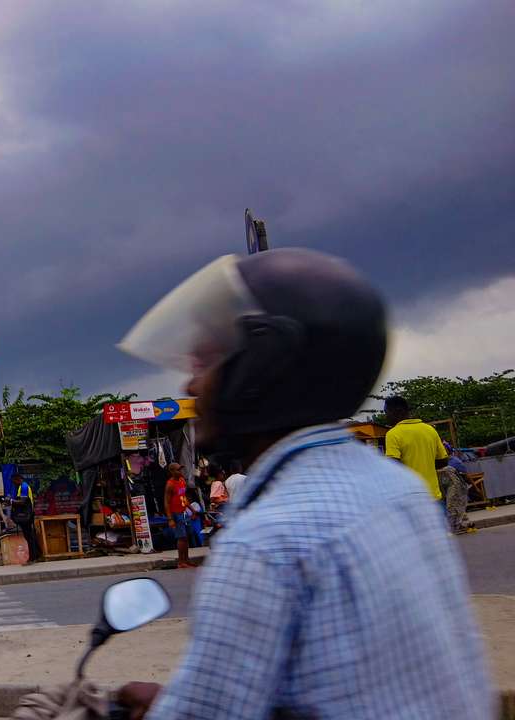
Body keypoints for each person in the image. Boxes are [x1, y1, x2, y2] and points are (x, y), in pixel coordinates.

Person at [114, 249, 491, 719]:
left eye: (205, 361)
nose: (190, 386)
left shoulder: (266, 542)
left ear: (263, 365)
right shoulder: (396, 488)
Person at [384, 396, 449, 501]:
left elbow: (393, 466)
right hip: (434, 497)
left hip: (413, 499)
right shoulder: (430, 429)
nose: (386, 416)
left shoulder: (393, 434)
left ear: (397, 411)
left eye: (386, 412)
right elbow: (443, 460)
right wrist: (426, 466)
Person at [163, 463, 195, 567]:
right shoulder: (170, 484)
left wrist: (192, 509)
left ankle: (186, 559)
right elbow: (166, 502)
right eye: (178, 470)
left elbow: (183, 497)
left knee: (186, 537)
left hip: (184, 512)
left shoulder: (182, 481)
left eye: (180, 469)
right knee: (181, 537)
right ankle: (181, 561)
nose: (180, 472)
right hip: (176, 513)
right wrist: (170, 518)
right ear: (172, 472)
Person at [8, 473, 41, 560]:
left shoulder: (24, 487)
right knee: (29, 535)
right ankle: (37, 554)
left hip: (26, 515)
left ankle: (34, 556)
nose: (13, 483)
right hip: (26, 515)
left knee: (29, 536)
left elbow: (22, 502)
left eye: (13, 481)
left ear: (17, 479)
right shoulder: (21, 487)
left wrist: (11, 501)